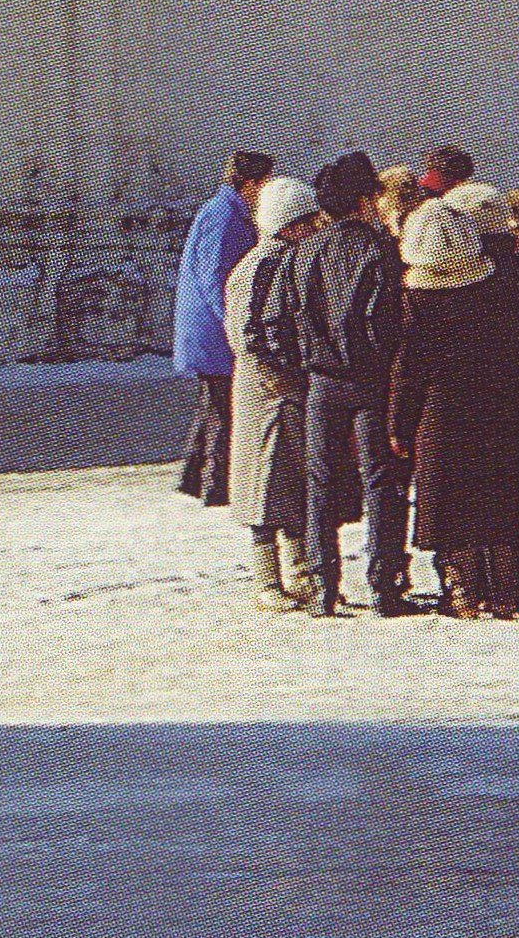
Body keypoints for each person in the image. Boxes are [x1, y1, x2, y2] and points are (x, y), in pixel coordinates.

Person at [389, 185, 519, 618]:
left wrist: (399, 425)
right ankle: (504, 585)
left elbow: (410, 369)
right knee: (495, 491)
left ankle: (461, 587)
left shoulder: (418, 299)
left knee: (448, 500)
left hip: (440, 412)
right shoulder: (496, 289)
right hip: (497, 405)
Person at [285, 154, 408, 619]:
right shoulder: (379, 250)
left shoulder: (304, 252)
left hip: (321, 380)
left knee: (321, 480)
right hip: (370, 380)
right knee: (380, 479)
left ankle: (323, 583)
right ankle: (384, 581)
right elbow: (386, 321)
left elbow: (286, 316)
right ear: (363, 201)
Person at [224, 174, 320, 604]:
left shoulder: (273, 259)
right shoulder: (267, 265)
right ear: (289, 223)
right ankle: (268, 580)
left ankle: (298, 572)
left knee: (289, 480)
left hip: (276, 385)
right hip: (269, 387)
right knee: (265, 482)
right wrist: (283, 370)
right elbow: (249, 331)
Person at [170, 150, 269, 505]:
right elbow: (216, 275)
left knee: (214, 404)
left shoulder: (226, 211)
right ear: (251, 184)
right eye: (265, 183)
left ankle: (194, 477)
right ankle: (215, 485)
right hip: (213, 330)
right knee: (225, 407)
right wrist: (233, 319)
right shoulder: (225, 215)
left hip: (208, 328)